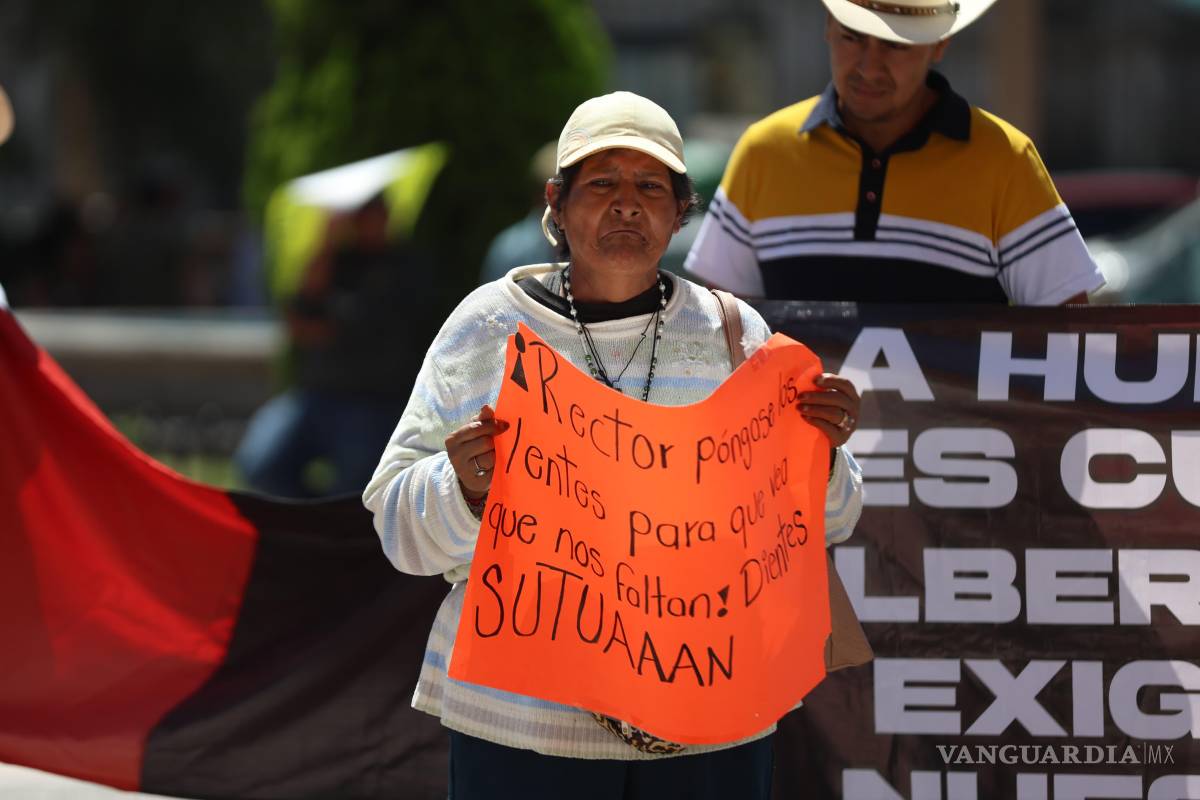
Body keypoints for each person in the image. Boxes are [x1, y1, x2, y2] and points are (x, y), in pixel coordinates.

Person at [362, 91, 865, 799]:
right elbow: (397, 532)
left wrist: (824, 453)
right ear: (556, 205)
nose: (627, 204)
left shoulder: (738, 338)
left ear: (680, 211)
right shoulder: (487, 330)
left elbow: (834, 523)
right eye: (602, 183)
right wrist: (465, 491)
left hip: (711, 731)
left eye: (650, 186)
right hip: (523, 732)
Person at [685, 0, 1105, 305]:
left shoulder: (1007, 160)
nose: (869, 67)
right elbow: (715, 328)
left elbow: (1067, 341)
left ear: (940, 44)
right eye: (852, 38)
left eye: (895, 44)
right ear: (828, 26)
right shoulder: (764, 153)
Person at [235, 195, 439, 497]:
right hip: (316, 397)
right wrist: (326, 242)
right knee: (260, 463)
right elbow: (300, 319)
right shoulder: (336, 261)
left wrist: (324, 327)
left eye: (376, 212)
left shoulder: (405, 269)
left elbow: (351, 328)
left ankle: (328, 528)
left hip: (372, 402)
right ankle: (308, 519)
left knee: (353, 487)